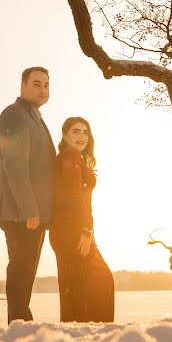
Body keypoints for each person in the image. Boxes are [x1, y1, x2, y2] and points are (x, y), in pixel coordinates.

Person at [0, 66, 56, 323]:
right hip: (21, 213)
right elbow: (14, 165)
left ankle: (22, 327)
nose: (42, 89)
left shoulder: (34, 117)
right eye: (37, 84)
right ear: (23, 86)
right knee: (20, 272)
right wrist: (29, 209)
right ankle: (18, 329)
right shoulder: (15, 115)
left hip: (33, 212)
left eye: (46, 85)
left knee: (26, 273)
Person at [49, 117, 114, 322]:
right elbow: (73, 196)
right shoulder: (70, 158)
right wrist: (86, 229)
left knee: (76, 286)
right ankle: (89, 334)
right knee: (97, 280)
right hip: (73, 231)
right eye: (76, 131)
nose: (82, 136)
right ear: (65, 135)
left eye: (85, 132)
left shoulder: (72, 158)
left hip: (69, 229)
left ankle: (78, 334)